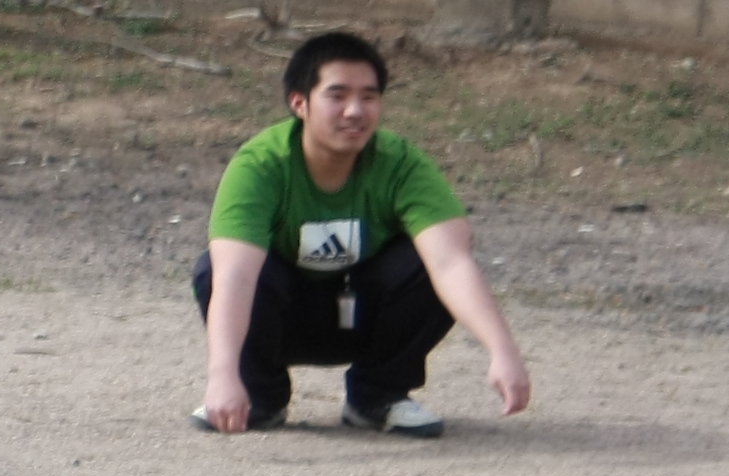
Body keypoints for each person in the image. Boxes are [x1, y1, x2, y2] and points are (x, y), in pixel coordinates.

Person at [192, 31, 531, 437]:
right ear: (299, 103)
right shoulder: (260, 165)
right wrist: (222, 375)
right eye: (337, 96)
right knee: (214, 269)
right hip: (285, 318)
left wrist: (502, 350)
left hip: (364, 314)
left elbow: (451, 263)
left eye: (368, 97)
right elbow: (234, 276)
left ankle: (379, 397)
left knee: (426, 263)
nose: (355, 111)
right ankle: (257, 397)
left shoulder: (401, 164)